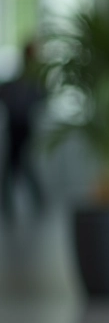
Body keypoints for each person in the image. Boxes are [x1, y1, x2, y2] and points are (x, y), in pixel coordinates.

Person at [0, 42, 47, 222]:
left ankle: (10, 205)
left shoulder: (33, 78)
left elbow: (41, 96)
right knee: (17, 166)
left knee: (20, 165)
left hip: (23, 124)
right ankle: (9, 206)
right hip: (17, 124)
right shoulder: (26, 78)